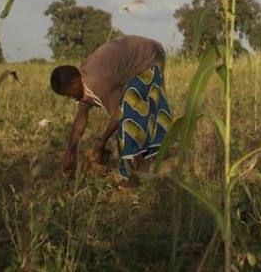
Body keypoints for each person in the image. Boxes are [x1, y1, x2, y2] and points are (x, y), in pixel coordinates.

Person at [49, 35, 173, 186]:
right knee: (132, 113)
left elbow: (117, 116)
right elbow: (80, 122)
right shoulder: (82, 81)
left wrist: (101, 144)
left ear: (75, 83)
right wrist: (69, 154)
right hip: (139, 61)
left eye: (69, 94)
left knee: (129, 119)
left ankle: (136, 176)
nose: (70, 97)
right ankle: (142, 162)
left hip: (149, 56)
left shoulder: (97, 82)